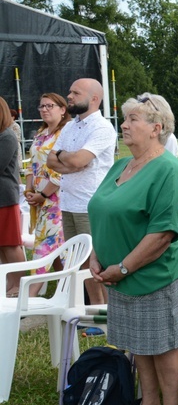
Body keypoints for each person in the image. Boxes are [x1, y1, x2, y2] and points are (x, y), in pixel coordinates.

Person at [87, 93, 178, 405]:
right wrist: (96, 254)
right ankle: (149, 403)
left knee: (161, 344)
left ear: (156, 128)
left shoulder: (168, 169)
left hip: (151, 274)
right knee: (137, 342)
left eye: (133, 119)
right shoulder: (122, 165)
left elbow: (163, 233)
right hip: (117, 275)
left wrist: (124, 267)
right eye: (125, 119)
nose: (124, 125)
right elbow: (102, 210)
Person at [47, 78, 116, 306]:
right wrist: (72, 160)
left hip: (90, 204)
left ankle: (107, 311)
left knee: (97, 261)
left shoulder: (102, 127)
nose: (69, 96)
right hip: (68, 203)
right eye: (70, 91)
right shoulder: (69, 126)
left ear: (94, 99)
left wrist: (67, 158)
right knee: (79, 261)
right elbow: (51, 160)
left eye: (75, 93)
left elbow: (79, 159)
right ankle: (95, 309)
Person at [23, 93, 70, 295]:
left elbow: (61, 171)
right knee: (60, 252)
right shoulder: (42, 134)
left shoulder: (65, 134)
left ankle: (28, 298)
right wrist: (29, 189)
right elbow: (32, 166)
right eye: (41, 106)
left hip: (58, 201)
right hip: (41, 201)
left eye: (50, 105)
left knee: (44, 248)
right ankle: (66, 292)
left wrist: (43, 194)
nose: (44, 109)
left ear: (62, 109)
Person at [0, 96, 27, 297]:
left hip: (4, 198)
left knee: (10, 243)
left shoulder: (7, 136)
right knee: (2, 245)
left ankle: (20, 286)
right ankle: (10, 285)